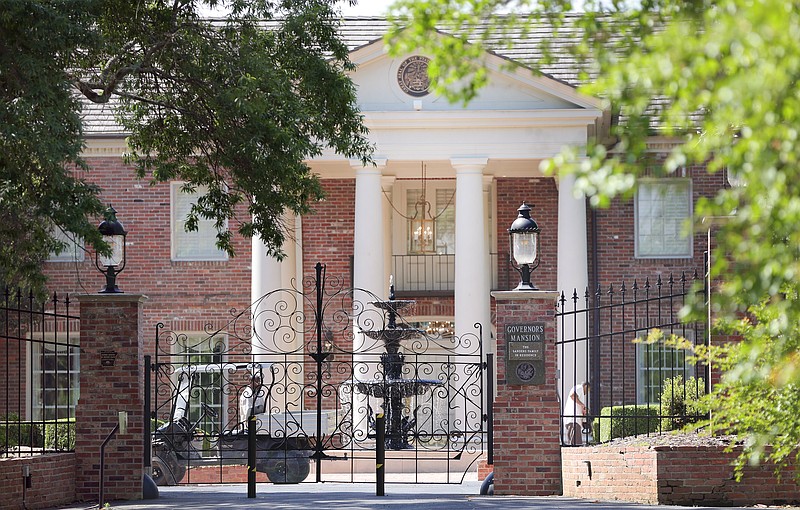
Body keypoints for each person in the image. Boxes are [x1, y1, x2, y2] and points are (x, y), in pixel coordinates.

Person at [563, 381, 590, 445]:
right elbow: (573, 395)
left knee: (574, 441)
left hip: (574, 420)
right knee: (576, 442)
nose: (587, 392)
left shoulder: (579, 390)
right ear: (586, 386)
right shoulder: (579, 387)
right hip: (573, 419)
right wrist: (582, 405)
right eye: (588, 389)